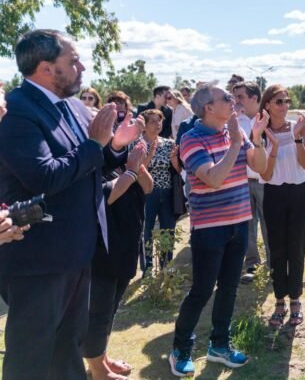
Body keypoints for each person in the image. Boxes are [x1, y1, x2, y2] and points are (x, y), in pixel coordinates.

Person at [0, 29, 142, 380]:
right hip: (40, 259)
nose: (81, 67)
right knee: (32, 356)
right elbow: (45, 178)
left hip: (79, 251)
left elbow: (89, 165)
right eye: (72, 61)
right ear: (47, 68)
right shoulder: (18, 113)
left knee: (67, 348)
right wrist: (95, 146)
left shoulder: (75, 107)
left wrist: (114, 148)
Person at [169, 83, 267, 377]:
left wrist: (257, 138)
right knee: (201, 290)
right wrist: (237, 143)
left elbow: (261, 167)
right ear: (208, 107)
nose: (233, 101)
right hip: (210, 229)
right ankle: (181, 349)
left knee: (229, 287)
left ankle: (219, 346)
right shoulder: (191, 139)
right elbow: (213, 178)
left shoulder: (232, 133)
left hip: (239, 223)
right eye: (226, 98)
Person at [82, 142, 153, 380]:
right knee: (98, 314)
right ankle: (98, 371)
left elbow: (148, 187)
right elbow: (106, 197)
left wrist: (138, 168)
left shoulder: (122, 162)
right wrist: (131, 171)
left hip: (125, 249)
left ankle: (102, 359)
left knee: (110, 311)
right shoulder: (90, 165)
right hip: (101, 253)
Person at [259, 84, 305, 329]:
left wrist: (298, 137)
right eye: (279, 101)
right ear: (267, 104)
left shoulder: (298, 127)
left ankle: (296, 301)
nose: (284, 106)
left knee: (297, 247)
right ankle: (279, 300)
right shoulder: (261, 132)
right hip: (274, 193)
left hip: (300, 192)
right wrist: (274, 148)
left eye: (287, 101)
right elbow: (266, 174)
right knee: (277, 249)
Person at [232, 81, 270, 283]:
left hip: (265, 181)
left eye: (240, 97)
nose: (236, 101)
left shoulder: (266, 118)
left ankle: (273, 265)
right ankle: (252, 264)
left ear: (255, 98)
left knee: (269, 224)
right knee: (247, 227)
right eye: (235, 97)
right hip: (242, 180)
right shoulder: (234, 121)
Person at [137, 109, 180, 273]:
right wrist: (150, 154)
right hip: (146, 193)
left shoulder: (169, 143)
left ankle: (166, 266)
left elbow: (177, 170)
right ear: (144, 125)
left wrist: (175, 161)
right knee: (146, 230)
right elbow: (138, 170)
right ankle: (147, 268)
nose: (157, 124)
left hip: (167, 191)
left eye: (159, 120)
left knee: (168, 229)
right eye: (153, 121)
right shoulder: (138, 144)